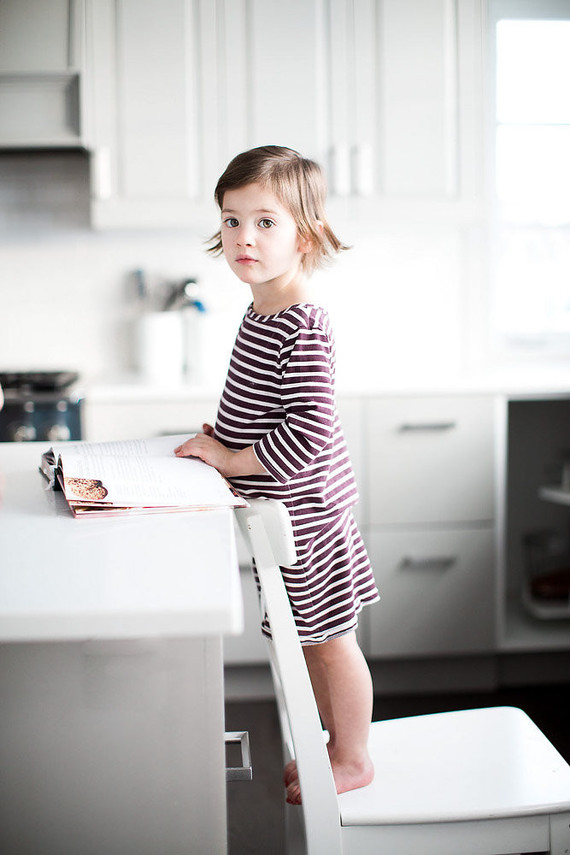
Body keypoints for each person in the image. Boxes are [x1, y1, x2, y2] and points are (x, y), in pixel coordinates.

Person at [174, 145, 379, 803]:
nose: (243, 238)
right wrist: (224, 438)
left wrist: (232, 460)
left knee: (330, 642)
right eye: (232, 221)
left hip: (311, 518)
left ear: (307, 232)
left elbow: (307, 431)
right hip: (285, 515)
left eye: (265, 222)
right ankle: (333, 743)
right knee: (308, 638)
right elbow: (264, 403)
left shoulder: (304, 320)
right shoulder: (259, 309)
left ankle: (353, 755)